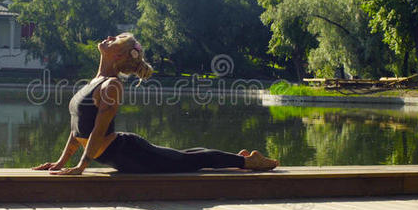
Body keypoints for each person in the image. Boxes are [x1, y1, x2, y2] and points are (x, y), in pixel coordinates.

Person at [32, 33, 279, 175]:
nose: (109, 38)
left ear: (118, 55)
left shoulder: (112, 87)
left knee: (189, 162)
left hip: (129, 153)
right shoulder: (96, 81)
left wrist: (80, 167)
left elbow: (97, 131)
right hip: (116, 156)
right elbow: (78, 130)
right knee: (184, 157)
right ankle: (241, 158)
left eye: (116, 39)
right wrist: (60, 163)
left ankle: (248, 161)